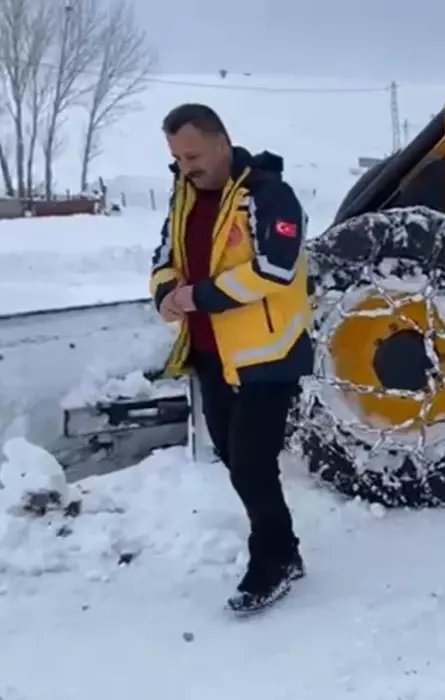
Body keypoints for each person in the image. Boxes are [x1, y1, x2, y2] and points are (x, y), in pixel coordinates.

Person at [149, 103, 313, 614]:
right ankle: (282, 547)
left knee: (251, 463)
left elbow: (275, 268)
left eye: (193, 154)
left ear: (223, 143)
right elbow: (164, 257)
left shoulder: (268, 194)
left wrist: (198, 296)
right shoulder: (183, 196)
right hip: (210, 354)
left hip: (268, 354)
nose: (185, 166)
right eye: (176, 157)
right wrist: (166, 294)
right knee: (235, 460)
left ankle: (272, 559)